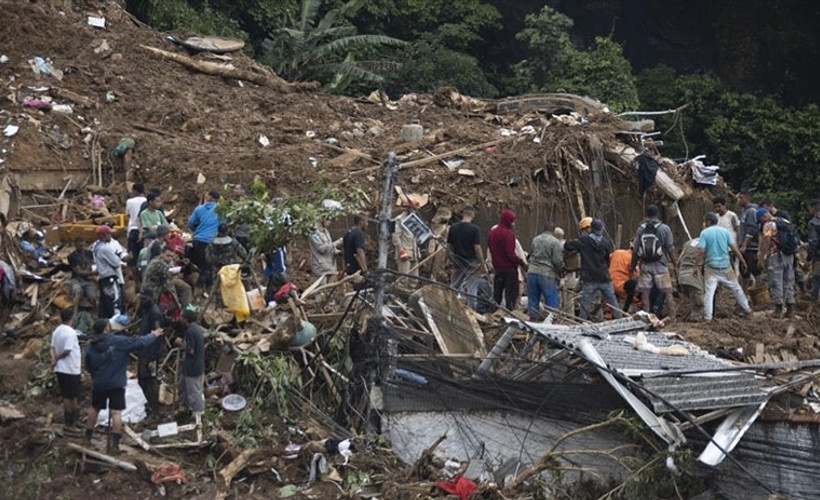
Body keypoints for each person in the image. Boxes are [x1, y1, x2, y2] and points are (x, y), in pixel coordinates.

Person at [85, 318, 163, 451]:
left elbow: (88, 366)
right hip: (116, 383)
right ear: (106, 328)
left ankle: (87, 438)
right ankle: (115, 444)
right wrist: (153, 335)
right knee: (116, 412)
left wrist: (96, 376)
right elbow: (139, 342)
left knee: (95, 408)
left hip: (99, 382)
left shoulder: (91, 345)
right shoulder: (118, 341)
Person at [697, 212, 752, 321]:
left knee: (709, 293)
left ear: (708, 222)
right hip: (725, 266)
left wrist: (696, 266)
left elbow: (701, 251)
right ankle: (747, 310)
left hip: (711, 267)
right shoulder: (725, 232)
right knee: (737, 289)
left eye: (705, 221)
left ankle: (708, 317)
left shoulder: (704, 233)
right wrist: (742, 261)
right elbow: (733, 248)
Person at [565, 218, 621, 320]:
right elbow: (607, 259)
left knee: (585, 302)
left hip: (589, 278)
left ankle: (582, 322)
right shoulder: (606, 242)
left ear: (591, 229)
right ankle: (621, 320)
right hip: (604, 277)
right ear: (601, 229)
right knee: (613, 301)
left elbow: (567, 246)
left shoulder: (584, 241)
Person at [631, 204, 678, 319]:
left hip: (645, 265)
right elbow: (670, 249)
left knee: (645, 293)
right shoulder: (664, 228)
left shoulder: (641, 229)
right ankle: (672, 317)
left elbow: (636, 250)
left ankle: (646, 316)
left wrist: (633, 266)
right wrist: (675, 265)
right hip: (661, 265)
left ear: (647, 214)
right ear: (657, 214)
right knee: (667, 292)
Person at [447, 206, 488, 310]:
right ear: (472, 215)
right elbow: (477, 248)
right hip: (472, 263)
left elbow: (449, 246)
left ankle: (448, 307)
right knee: (471, 289)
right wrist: (482, 263)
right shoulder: (474, 229)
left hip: (457, 261)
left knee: (454, 286)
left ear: (463, 214)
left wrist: (449, 259)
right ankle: (472, 311)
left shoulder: (453, 228)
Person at [758, 211, 797, 318]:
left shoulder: (769, 224)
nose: (761, 222)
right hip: (789, 254)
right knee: (788, 280)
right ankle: (790, 308)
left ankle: (778, 308)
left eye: (760, 220)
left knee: (776, 281)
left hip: (776, 255)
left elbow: (766, 241)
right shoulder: (785, 221)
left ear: (763, 216)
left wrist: (762, 257)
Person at [488, 209, 527, 310]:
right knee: (510, 298)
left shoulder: (492, 233)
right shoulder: (508, 234)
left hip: (498, 270)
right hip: (509, 270)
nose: (513, 224)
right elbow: (510, 254)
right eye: (512, 221)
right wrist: (521, 263)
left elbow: (491, 250)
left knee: (496, 296)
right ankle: (509, 315)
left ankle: (493, 313)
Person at [526, 221, 564, 319]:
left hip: (532, 272)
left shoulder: (535, 239)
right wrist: (561, 271)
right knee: (551, 300)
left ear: (543, 229)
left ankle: (532, 320)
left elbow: (531, 254)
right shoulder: (555, 242)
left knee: (533, 300)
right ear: (553, 231)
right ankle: (551, 320)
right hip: (547, 273)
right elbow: (557, 261)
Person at [51, 308, 82, 428]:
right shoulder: (70, 332)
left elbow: (53, 347)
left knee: (67, 395)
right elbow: (67, 350)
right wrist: (58, 358)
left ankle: (70, 420)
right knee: (72, 396)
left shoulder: (57, 331)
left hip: (61, 369)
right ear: (71, 318)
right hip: (71, 368)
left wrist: (54, 358)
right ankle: (72, 420)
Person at [137, 289, 165, 416]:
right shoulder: (145, 310)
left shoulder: (155, 313)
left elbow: (158, 336)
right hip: (143, 351)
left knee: (150, 380)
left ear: (151, 298)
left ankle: (155, 410)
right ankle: (151, 404)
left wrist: (153, 358)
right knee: (142, 379)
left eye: (144, 299)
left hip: (151, 353)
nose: (142, 301)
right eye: (141, 298)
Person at [188, 190, 221, 288]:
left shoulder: (199, 209)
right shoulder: (221, 210)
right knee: (210, 266)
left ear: (209, 197)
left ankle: (200, 287)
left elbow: (190, 223)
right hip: (213, 241)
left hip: (199, 240)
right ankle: (208, 287)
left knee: (201, 266)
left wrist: (197, 230)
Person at [175, 309, 204, 415]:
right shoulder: (196, 328)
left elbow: (191, 350)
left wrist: (181, 343)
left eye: (181, 317)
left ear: (186, 319)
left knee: (193, 392)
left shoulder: (191, 332)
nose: (179, 318)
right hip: (189, 366)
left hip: (193, 367)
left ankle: (198, 413)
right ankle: (183, 407)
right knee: (182, 386)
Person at [93, 225, 123, 319]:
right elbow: (116, 262)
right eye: (108, 234)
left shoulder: (96, 247)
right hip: (110, 279)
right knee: (114, 303)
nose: (110, 236)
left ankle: (105, 323)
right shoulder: (105, 248)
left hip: (103, 279)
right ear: (103, 235)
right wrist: (117, 256)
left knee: (105, 304)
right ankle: (115, 324)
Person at [67, 237, 96, 317]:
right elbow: (78, 272)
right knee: (77, 291)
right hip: (76, 279)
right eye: (80, 246)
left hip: (88, 279)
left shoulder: (89, 253)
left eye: (83, 245)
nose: (82, 248)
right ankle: (74, 313)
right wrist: (93, 273)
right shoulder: (72, 256)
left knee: (93, 297)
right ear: (75, 245)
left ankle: (94, 314)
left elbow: (92, 264)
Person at [737, 189, 761, 288]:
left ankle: (759, 291)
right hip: (744, 246)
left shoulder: (751, 211)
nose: (738, 200)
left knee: (754, 269)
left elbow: (751, 229)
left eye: (740, 198)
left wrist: (744, 245)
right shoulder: (744, 211)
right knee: (744, 270)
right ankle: (745, 293)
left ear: (747, 198)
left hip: (751, 247)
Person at [677, 238, 705, 321]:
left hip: (682, 274)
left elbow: (679, 262)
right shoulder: (708, 244)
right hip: (694, 275)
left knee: (692, 297)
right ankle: (697, 317)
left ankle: (688, 315)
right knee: (699, 299)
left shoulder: (688, 243)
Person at [393, 199, 421, 279]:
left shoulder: (415, 220)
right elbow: (395, 237)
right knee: (403, 279)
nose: (414, 211)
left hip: (414, 254)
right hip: (405, 252)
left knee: (414, 279)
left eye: (416, 210)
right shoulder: (400, 219)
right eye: (413, 209)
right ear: (408, 208)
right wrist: (401, 250)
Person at [309, 218, 341, 284]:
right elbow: (321, 249)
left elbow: (329, 246)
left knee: (330, 288)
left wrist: (337, 251)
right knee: (322, 288)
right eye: (328, 219)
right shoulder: (314, 233)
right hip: (320, 268)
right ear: (322, 219)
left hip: (330, 267)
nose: (330, 222)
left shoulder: (326, 231)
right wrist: (337, 243)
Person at [609, 242, 638, 311]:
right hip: (622, 287)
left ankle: (608, 312)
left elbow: (607, 260)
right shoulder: (633, 259)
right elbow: (636, 276)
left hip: (609, 283)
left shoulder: (617, 252)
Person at [125, 183, 146, 278]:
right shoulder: (147, 201)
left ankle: (136, 281)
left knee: (133, 257)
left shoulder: (130, 201)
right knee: (144, 256)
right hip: (144, 230)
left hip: (133, 230)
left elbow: (128, 215)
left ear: (135, 191)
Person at [808, 200, 820, 302]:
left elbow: (813, 241)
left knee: (816, 276)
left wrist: (810, 256)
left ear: (813, 209)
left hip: (818, 256)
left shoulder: (813, 223)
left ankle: (814, 300)